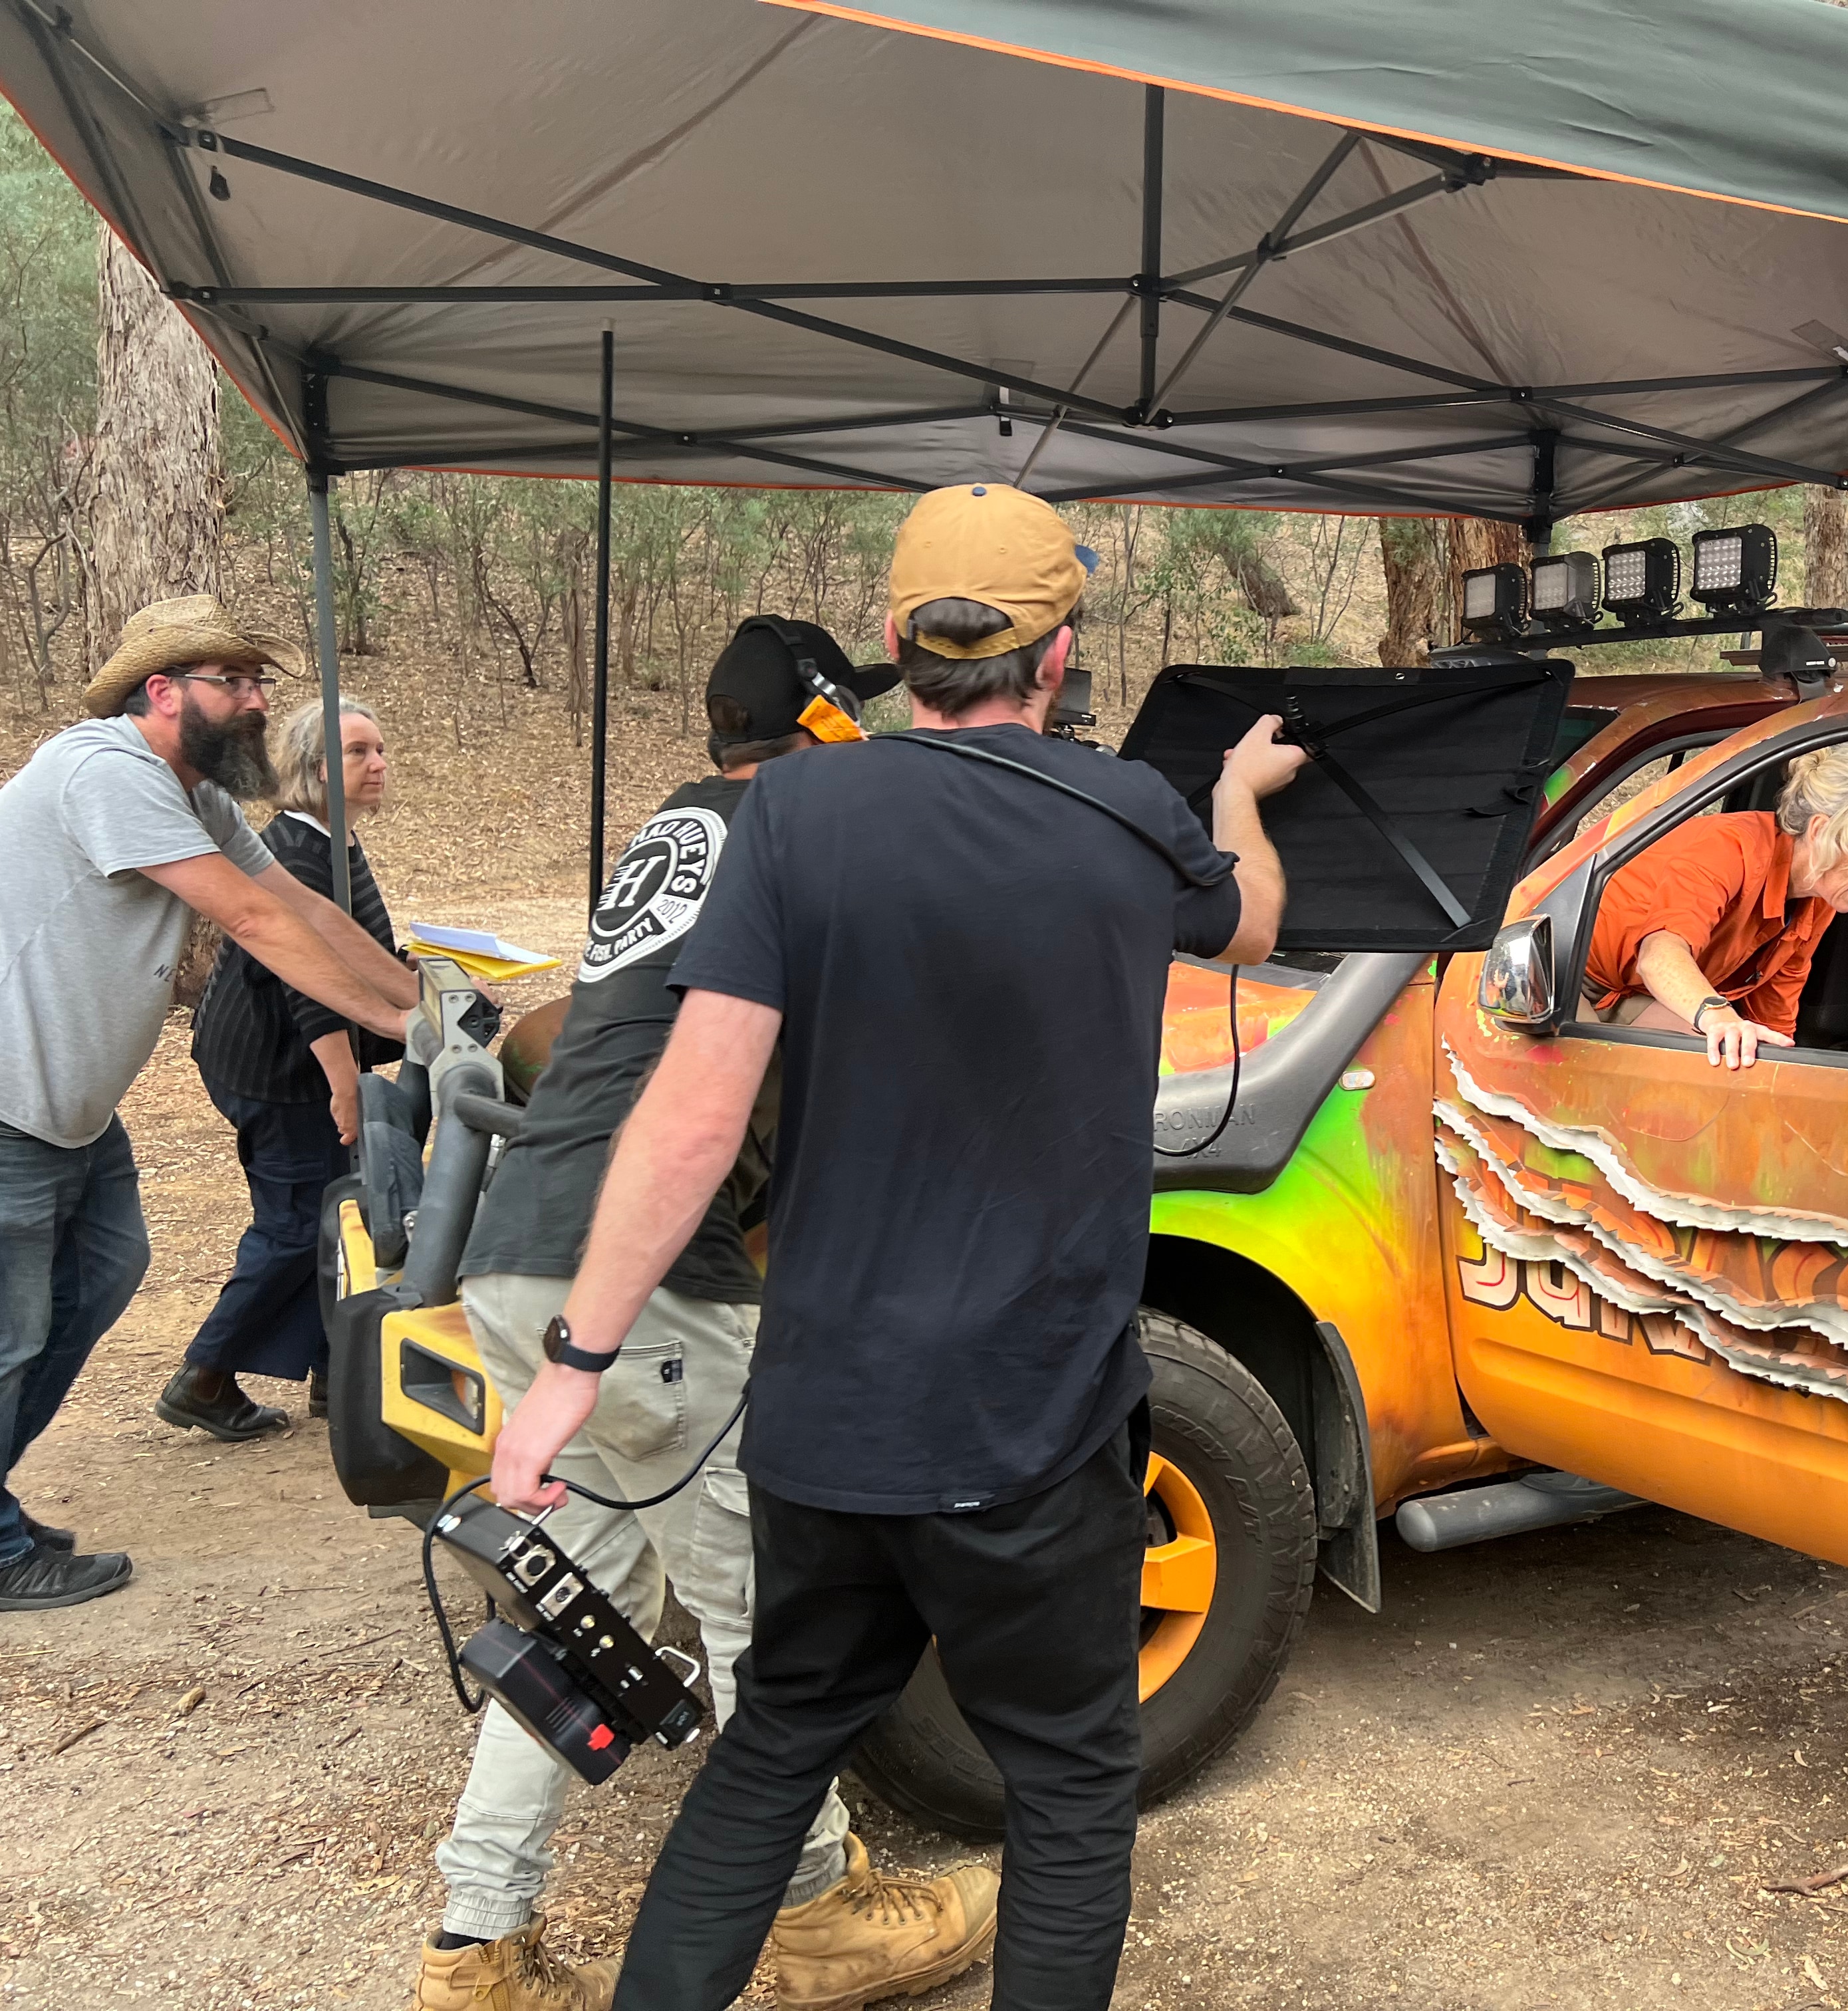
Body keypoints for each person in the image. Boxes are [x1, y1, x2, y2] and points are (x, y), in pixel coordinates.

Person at [488, 481, 1302, 2011]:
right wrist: (1243, 798)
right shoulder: (1125, 811)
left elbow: (685, 1118)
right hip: (1033, 1428)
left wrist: (572, 1370)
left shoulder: (793, 813)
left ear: (895, 645)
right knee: (1068, 1790)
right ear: (1059, 656)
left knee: (772, 1755)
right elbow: (1249, 924)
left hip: (825, 1426)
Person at [409, 617, 975, 2011]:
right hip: (645, 1273)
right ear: (832, 723)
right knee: (764, 1614)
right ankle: (817, 1911)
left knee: (576, 1613)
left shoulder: (685, 826)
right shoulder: (806, 830)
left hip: (522, 1249)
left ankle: (475, 1939)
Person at [0, 597, 416, 1613]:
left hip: (72, 1109)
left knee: (107, 1269)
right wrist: (401, 1036)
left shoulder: (197, 797)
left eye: (258, 683)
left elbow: (309, 904)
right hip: (10, 1103)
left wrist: (424, 1003)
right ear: (162, 692)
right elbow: (253, 917)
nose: (257, 703)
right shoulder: (108, 770)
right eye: (233, 683)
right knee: (13, 1328)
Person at [161, 694, 404, 1441]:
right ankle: (204, 1375)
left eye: (379, 749)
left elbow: (355, 949)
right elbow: (308, 986)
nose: (376, 764)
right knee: (300, 1222)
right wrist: (344, 1085)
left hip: (288, 1059)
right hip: (273, 1065)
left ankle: (337, 1370)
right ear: (312, 770)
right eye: (357, 752)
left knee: (342, 1210)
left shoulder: (332, 843)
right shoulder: (299, 850)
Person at [1581, 739, 1848, 1068]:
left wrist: (1781, 1071)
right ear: (1820, 832)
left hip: (1640, 996)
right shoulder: (1729, 848)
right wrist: (1720, 1016)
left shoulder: (1819, 894)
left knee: (1737, 1065)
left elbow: (1776, 1008)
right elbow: (1659, 956)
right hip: (1572, 980)